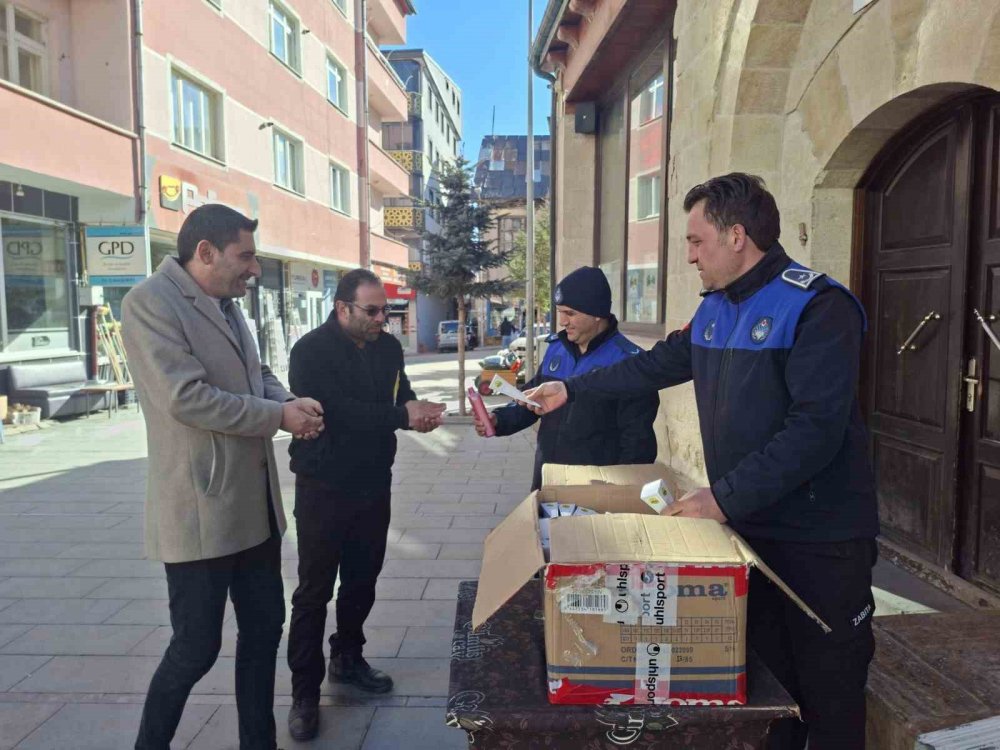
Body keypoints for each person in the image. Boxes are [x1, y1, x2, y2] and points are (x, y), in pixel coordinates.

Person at [526, 174, 879, 750]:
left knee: (831, 693)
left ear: (736, 235)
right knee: (769, 691)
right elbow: (654, 365)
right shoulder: (716, 309)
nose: (688, 256)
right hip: (748, 531)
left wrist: (720, 498)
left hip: (820, 539)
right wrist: (574, 389)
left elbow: (814, 431)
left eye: (695, 241)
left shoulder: (817, 306)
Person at [123, 204, 324, 750]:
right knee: (195, 648)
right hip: (200, 511)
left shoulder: (227, 303)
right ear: (205, 253)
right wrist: (276, 417)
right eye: (246, 256)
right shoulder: (149, 304)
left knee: (263, 632)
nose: (254, 268)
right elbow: (185, 398)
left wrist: (288, 399)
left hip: (254, 509)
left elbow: (253, 373)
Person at [284, 269, 446, 741]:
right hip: (323, 485)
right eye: (372, 311)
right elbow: (333, 411)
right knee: (314, 592)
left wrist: (419, 411)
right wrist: (401, 415)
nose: (383, 320)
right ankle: (304, 693)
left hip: (374, 482)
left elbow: (401, 393)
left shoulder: (389, 348)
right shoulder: (310, 352)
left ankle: (347, 658)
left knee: (362, 579)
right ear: (343, 309)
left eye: (387, 312)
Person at [475, 266, 659, 490]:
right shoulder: (556, 350)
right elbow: (530, 400)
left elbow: (637, 444)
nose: (562, 321)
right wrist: (499, 419)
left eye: (570, 313)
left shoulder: (630, 364)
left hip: (595, 488)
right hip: (548, 477)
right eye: (559, 311)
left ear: (597, 314)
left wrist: (620, 493)